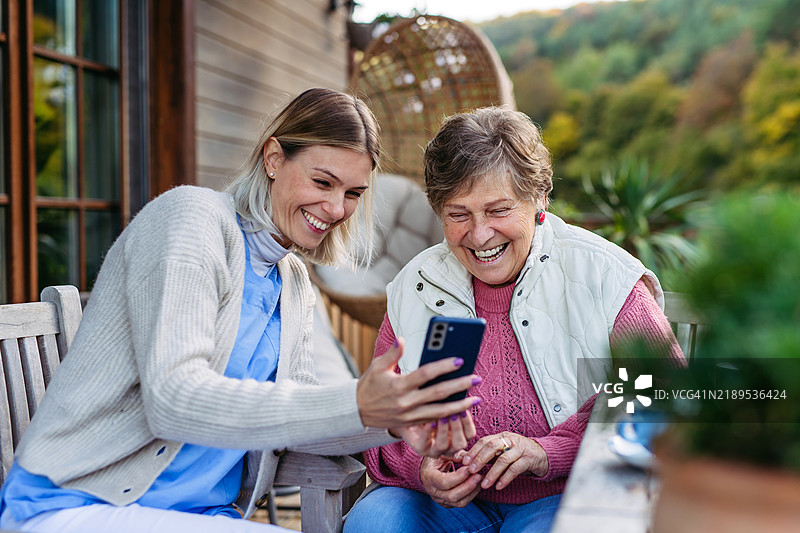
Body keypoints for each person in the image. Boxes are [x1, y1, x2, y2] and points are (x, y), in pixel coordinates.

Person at [0, 88, 479, 533]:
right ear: (273, 158)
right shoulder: (191, 219)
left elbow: (297, 421)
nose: (336, 208)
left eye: (353, 193)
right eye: (322, 181)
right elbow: (174, 401)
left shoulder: (290, 280)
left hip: (199, 515)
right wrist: (355, 401)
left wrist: (391, 419)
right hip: (81, 504)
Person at [343, 107, 685, 533]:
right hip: (448, 506)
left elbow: (664, 401)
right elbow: (382, 422)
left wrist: (548, 453)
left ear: (539, 198)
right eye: (458, 214)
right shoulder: (415, 284)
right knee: (373, 522)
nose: (480, 234)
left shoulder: (604, 274)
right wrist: (421, 467)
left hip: (562, 495)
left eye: (498, 210)